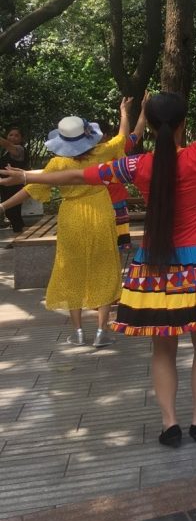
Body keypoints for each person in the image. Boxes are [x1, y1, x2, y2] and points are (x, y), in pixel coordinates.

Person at [1, 59, 196, 446]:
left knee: (163, 348)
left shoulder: (133, 165)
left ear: (152, 122)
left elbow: (77, 175)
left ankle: (169, 423)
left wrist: (26, 175)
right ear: (181, 125)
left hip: (152, 267)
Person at [0, 101, 133, 347]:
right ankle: (102, 332)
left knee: (70, 270)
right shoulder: (103, 152)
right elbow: (123, 137)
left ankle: (80, 333)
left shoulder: (58, 164)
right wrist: (124, 113)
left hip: (71, 216)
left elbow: (30, 189)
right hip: (101, 213)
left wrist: (3, 206)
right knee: (104, 267)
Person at [100, 100, 150, 253]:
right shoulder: (114, 148)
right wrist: (143, 109)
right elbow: (137, 133)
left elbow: (136, 134)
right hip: (112, 203)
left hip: (101, 204)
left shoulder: (83, 155)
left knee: (107, 247)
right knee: (119, 247)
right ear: (107, 135)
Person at [0, 127, 28, 234]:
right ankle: (20, 234)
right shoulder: (5, 151)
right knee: (10, 212)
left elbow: (8, 145)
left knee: (13, 211)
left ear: (21, 139)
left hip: (15, 185)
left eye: (17, 135)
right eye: (11, 135)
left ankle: (20, 236)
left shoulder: (19, 149)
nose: (13, 137)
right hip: (6, 185)